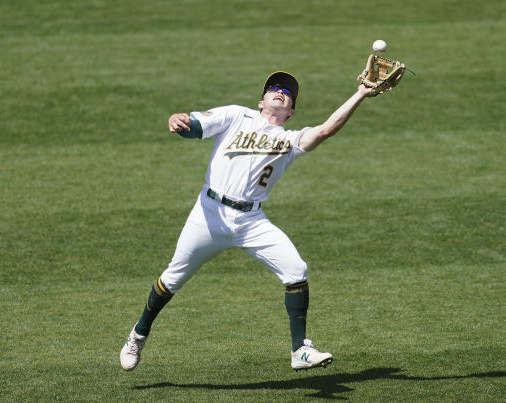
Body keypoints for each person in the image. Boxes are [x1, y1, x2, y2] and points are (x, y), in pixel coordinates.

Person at [120, 71, 373, 372]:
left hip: (251, 220)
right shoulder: (236, 115)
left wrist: (359, 94)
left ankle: (299, 350)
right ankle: (138, 335)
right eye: (274, 88)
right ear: (261, 101)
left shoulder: (289, 141)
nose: (280, 92)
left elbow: (324, 130)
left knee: (296, 270)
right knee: (173, 278)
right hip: (208, 214)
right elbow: (196, 126)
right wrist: (180, 121)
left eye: (287, 93)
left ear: (291, 111)